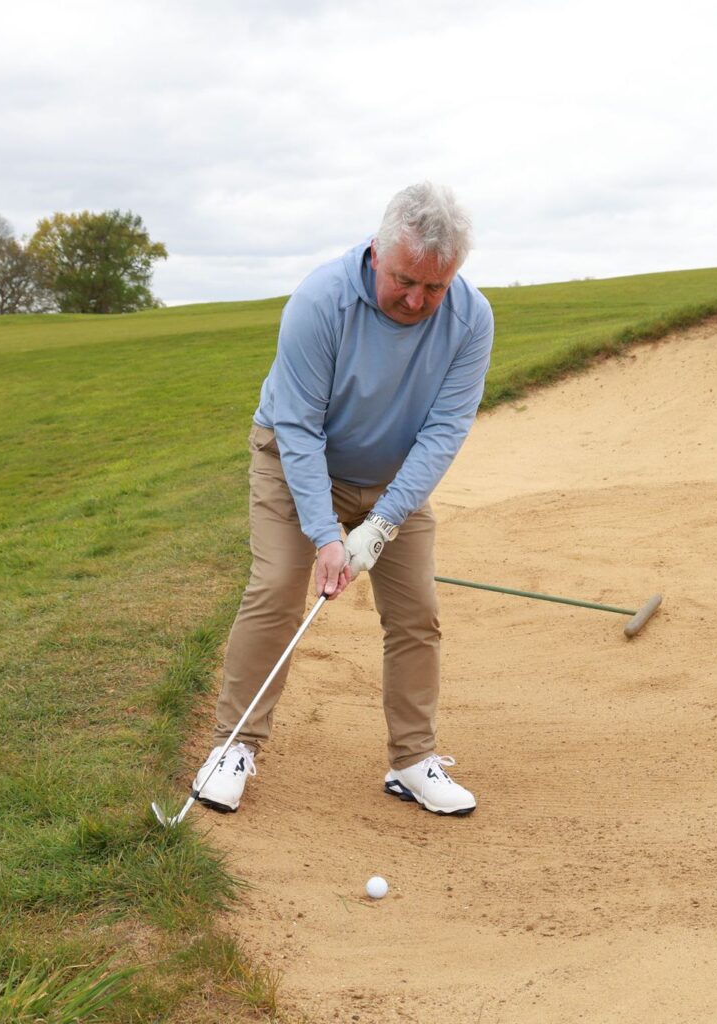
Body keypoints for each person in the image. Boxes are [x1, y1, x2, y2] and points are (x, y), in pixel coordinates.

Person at [189, 181, 493, 817]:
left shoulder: (472, 319)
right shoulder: (320, 301)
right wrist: (328, 538)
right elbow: (297, 428)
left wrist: (379, 526)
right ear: (378, 254)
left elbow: (443, 434)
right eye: (406, 279)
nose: (417, 300)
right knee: (276, 589)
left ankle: (412, 760)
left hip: (390, 480)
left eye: (434, 287)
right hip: (295, 462)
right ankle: (233, 746)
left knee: (416, 613)